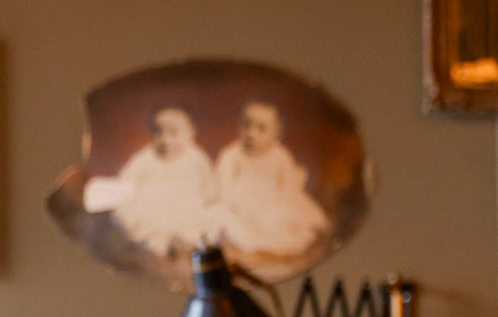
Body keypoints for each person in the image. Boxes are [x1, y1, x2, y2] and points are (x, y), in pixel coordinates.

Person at [213, 100, 329, 272]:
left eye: (261, 129)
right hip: (239, 205)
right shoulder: (231, 155)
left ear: (276, 134)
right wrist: (236, 207)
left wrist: (282, 207)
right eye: (246, 125)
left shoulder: (280, 155)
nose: (251, 134)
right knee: (222, 219)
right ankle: (248, 247)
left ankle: (273, 246)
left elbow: (288, 188)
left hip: (272, 204)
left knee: (287, 222)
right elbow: (222, 186)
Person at [95, 108, 219, 259]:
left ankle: (188, 242)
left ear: (190, 134)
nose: (165, 140)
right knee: (129, 217)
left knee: (216, 215)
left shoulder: (196, 157)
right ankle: (164, 245)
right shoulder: (144, 158)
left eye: (173, 133)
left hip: (187, 210)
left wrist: (206, 202)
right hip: (155, 212)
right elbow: (125, 185)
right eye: (158, 132)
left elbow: (209, 187)